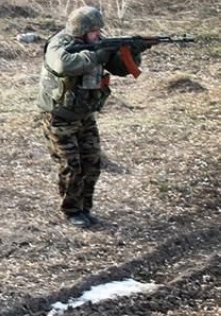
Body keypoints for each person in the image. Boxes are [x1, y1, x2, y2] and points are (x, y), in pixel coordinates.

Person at [37, 6, 148, 228]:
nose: (99, 34)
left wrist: (135, 51)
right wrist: (97, 54)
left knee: (92, 163)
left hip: (85, 115)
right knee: (72, 166)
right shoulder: (59, 44)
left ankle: (85, 209)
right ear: (82, 30)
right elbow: (63, 64)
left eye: (99, 30)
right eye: (95, 30)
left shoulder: (95, 42)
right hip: (59, 117)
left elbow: (121, 69)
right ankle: (71, 211)